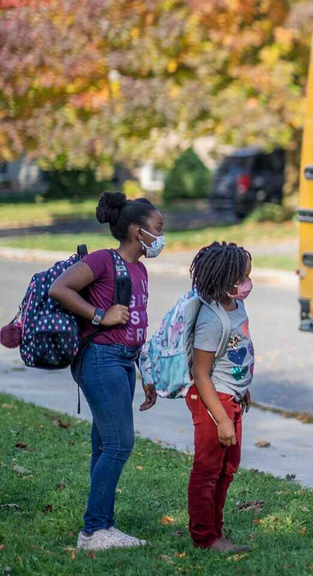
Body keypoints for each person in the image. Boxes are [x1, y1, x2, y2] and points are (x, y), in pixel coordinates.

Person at [48, 191, 163, 551]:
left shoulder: (140, 269)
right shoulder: (101, 260)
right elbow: (59, 288)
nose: (161, 237)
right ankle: (94, 530)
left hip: (125, 361)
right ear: (135, 231)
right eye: (157, 229)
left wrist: (146, 373)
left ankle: (103, 528)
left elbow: (138, 325)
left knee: (104, 445)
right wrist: (100, 315)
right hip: (100, 358)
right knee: (119, 444)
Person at [185, 242, 256, 552]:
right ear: (225, 282)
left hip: (232, 396)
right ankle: (205, 537)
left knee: (227, 468)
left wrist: (243, 387)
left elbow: (233, 353)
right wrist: (222, 418)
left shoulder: (235, 305)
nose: (247, 282)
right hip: (214, 401)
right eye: (242, 276)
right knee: (208, 469)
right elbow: (201, 374)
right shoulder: (212, 320)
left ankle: (215, 528)